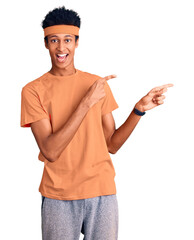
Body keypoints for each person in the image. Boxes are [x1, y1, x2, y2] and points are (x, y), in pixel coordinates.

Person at [20, 6, 173, 240]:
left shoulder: (96, 84)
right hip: (58, 194)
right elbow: (50, 151)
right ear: (45, 44)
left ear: (77, 42)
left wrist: (138, 110)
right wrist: (85, 102)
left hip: (101, 191)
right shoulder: (33, 91)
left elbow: (111, 144)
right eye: (54, 40)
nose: (61, 48)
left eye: (68, 40)